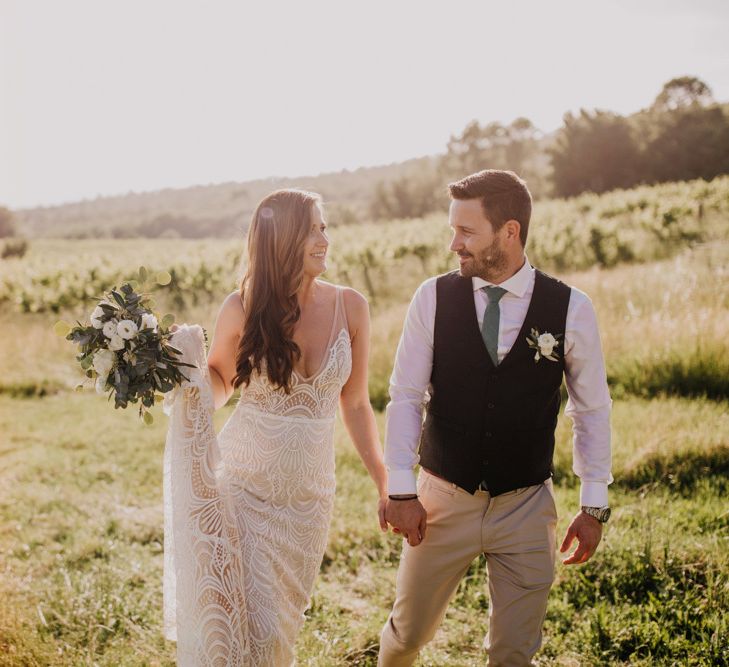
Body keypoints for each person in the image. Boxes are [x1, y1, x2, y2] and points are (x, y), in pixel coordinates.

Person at [378, 169, 613, 666]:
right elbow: (404, 396)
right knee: (406, 636)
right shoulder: (432, 298)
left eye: (466, 232)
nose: (453, 244)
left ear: (510, 231)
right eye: (452, 230)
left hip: (527, 507)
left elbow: (591, 409)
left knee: (513, 654)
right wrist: (401, 489)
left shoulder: (571, 308)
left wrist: (594, 504)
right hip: (441, 499)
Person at [163, 188, 387, 666]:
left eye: (324, 227)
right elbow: (223, 379)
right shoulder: (241, 307)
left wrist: (385, 485)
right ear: (283, 238)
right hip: (243, 490)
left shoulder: (352, 307)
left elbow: (356, 402)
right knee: (253, 634)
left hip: (309, 502)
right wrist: (186, 375)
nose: (324, 238)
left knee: (279, 634)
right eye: (313, 228)